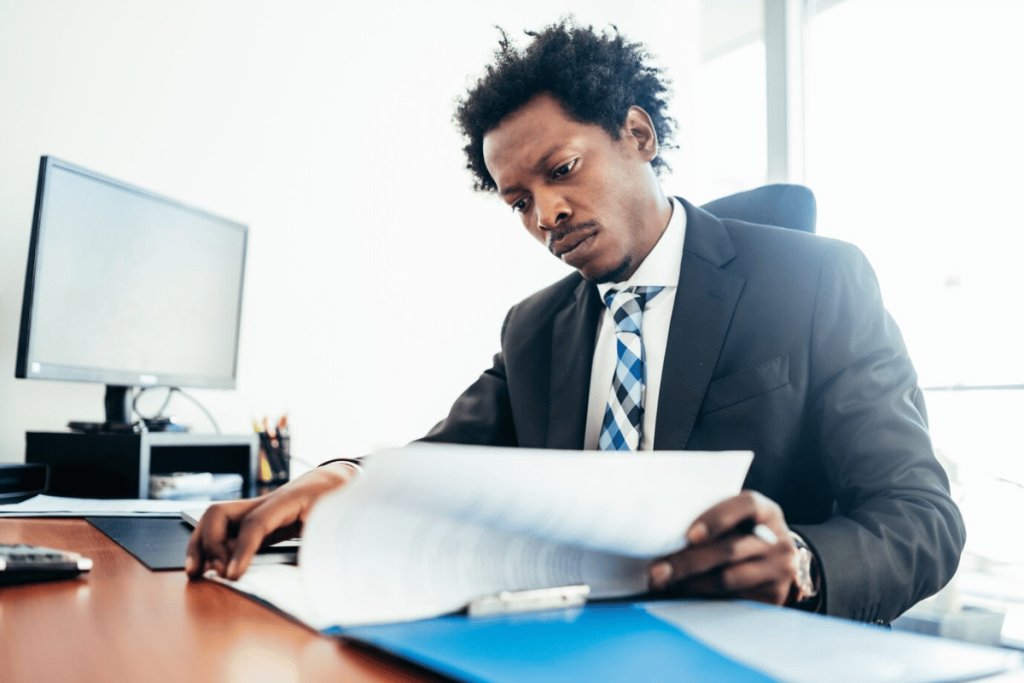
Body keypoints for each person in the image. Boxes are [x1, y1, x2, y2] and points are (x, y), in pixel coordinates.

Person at [186, 19, 965, 625]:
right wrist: (335, 480)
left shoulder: (817, 281)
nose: (546, 216)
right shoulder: (534, 327)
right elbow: (440, 461)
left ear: (638, 135)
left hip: (764, 647)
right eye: (519, 200)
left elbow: (922, 519)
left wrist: (802, 562)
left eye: (561, 172)